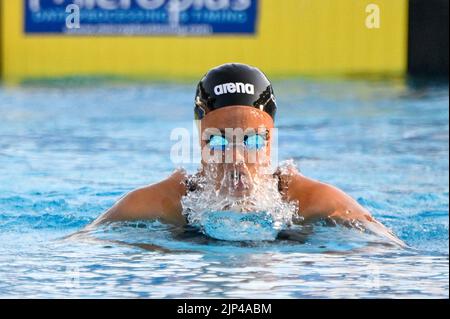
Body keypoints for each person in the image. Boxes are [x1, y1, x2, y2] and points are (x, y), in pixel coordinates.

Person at [88, 63, 402, 244]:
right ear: (200, 142)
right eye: (220, 142)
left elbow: (390, 247)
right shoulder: (171, 201)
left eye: (251, 142)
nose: (236, 159)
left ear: (271, 141)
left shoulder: (307, 199)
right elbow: (83, 242)